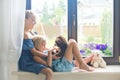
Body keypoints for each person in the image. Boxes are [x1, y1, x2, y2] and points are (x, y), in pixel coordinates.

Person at [18, 10, 56, 80]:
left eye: (35, 21)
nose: (35, 23)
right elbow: (34, 51)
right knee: (49, 72)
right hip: (27, 62)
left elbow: (39, 44)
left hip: (34, 58)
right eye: (33, 20)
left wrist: (50, 49)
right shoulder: (24, 34)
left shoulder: (31, 33)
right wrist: (48, 55)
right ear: (25, 20)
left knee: (52, 65)